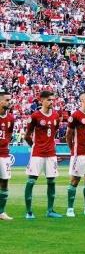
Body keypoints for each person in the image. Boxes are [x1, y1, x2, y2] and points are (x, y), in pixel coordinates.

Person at [24, 90, 62, 219]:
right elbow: (27, 136)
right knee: (31, 181)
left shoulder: (56, 116)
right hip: (38, 153)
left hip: (51, 154)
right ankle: (29, 212)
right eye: (49, 100)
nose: (51, 102)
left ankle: (50, 210)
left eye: (52, 100)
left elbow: (54, 133)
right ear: (42, 101)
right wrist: (35, 146)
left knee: (51, 181)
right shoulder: (35, 116)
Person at [0, 90, 15, 220]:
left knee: (5, 182)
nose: (9, 102)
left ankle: (1, 212)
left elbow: (9, 134)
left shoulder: (10, 118)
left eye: (10, 100)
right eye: (7, 100)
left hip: (4, 155)